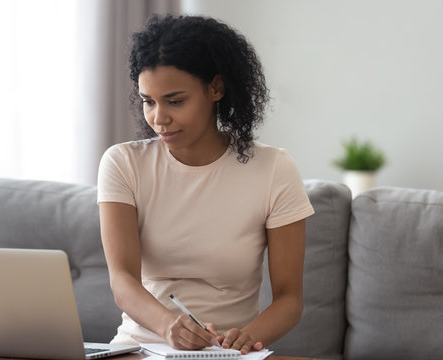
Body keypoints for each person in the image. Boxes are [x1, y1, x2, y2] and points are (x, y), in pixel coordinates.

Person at [97, 14, 314, 354]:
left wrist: (246, 338)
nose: (158, 118)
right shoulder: (124, 164)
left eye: (175, 100)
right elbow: (122, 281)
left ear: (216, 88)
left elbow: (289, 300)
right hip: (141, 348)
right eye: (148, 102)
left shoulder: (274, 169)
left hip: (229, 353)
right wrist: (169, 327)